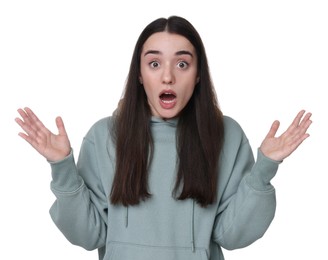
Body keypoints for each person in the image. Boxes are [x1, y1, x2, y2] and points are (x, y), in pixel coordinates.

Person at [15, 16, 312, 260]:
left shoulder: (226, 136)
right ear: (140, 74)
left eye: (182, 64)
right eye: (154, 64)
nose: (168, 76)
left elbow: (232, 236)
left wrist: (264, 169)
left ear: (197, 75)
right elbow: (89, 235)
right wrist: (61, 167)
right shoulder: (105, 136)